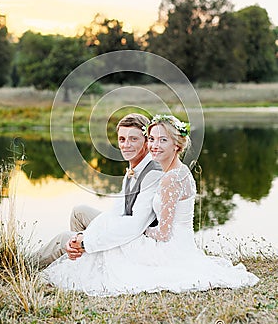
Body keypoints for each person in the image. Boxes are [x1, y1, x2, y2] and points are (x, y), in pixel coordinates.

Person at [42, 115, 259, 296]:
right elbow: (120, 211)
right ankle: (74, 253)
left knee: (100, 251)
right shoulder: (171, 172)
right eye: (153, 139)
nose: (155, 145)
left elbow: (161, 232)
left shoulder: (166, 177)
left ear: (177, 144)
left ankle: (33, 263)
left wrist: (137, 234)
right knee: (82, 219)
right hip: (173, 239)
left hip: (168, 245)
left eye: (162, 140)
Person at [31, 113, 162, 268]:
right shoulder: (133, 168)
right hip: (124, 225)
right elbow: (116, 212)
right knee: (79, 212)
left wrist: (86, 242)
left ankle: (19, 267)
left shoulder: (153, 173)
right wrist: (82, 236)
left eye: (133, 139)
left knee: (64, 238)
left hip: (138, 240)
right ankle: (79, 262)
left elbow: (135, 226)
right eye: (122, 139)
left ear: (147, 141)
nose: (126, 145)